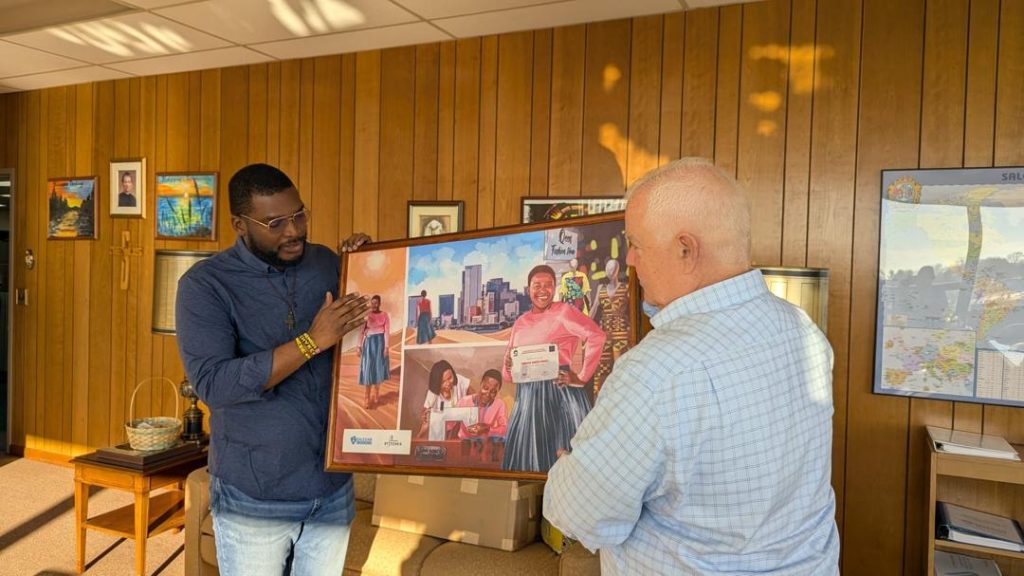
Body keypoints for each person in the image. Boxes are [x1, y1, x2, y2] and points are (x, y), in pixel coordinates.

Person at [543, 158, 839, 575]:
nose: (629, 259)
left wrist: (564, 472)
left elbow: (584, 516)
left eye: (636, 244)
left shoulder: (656, 373)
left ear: (686, 249)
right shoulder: (803, 329)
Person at [175, 163, 372, 576]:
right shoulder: (205, 285)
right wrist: (311, 341)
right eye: (275, 222)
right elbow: (214, 384)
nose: (294, 231)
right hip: (254, 496)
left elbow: (364, 329)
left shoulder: (324, 263)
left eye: (299, 214)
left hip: (331, 489)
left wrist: (369, 263)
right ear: (239, 224)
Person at [501, 264, 606, 473]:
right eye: (537, 285)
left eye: (548, 285)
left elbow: (597, 336)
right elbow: (508, 373)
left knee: (565, 470)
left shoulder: (564, 312)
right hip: (528, 402)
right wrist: (508, 366)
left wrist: (582, 377)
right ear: (527, 288)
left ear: (555, 287)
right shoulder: (520, 322)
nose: (543, 290)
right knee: (528, 466)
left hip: (559, 397)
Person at [589, 257, 631, 396]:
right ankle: (601, 398)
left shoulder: (625, 288)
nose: (609, 271)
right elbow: (594, 309)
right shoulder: (601, 288)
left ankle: (623, 397)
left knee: (621, 368)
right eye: (607, 268)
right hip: (605, 333)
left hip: (622, 333)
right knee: (602, 368)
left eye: (612, 268)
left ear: (618, 270)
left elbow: (632, 310)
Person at [455, 369, 509, 462]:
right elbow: (450, 424)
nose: (487, 394)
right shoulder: (464, 401)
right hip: (464, 446)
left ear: (498, 391)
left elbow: (505, 429)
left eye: (493, 391)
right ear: (480, 384)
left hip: (484, 449)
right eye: (485, 388)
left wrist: (487, 428)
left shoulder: (500, 404)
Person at [418, 359, 471, 440]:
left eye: (450, 378)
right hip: (441, 429)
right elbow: (425, 413)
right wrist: (425, 416)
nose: (448, 383)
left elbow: (475, 400)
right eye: (443, 382)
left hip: (461, 427)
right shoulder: (433, 393)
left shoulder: (460, 381)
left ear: (453, 374)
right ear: (437, 383)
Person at [357, 295, 391, 409]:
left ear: (379, 303)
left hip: (380, 344)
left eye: (376, 303)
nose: (374, 305)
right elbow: (361, 331)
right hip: (369, 345)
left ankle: (376, 393)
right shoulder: (367, 316)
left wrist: (386, 347)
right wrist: (358, 346)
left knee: (378, 369)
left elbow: (387, 331)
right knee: (368, 370)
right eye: (372, 303)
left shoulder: (384, 315)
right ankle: (366, 398)